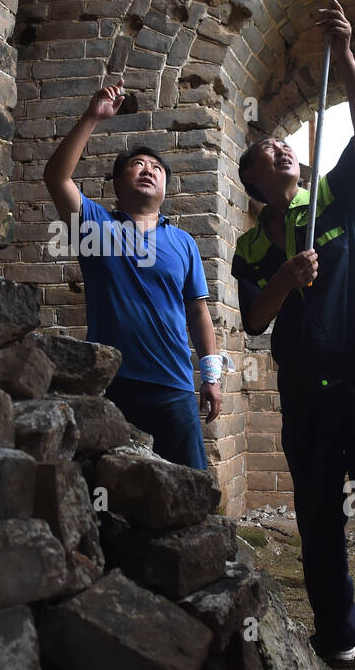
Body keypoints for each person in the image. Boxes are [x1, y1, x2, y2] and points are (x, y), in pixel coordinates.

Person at [232, 0, 355, 670]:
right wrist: (289, 276)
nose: (282, 148)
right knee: (320, 516)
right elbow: (256, 318)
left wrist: (345, 51)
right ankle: (337, 633)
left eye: (285, 144)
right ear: (257, 182)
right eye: (268, 151)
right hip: (307, 388)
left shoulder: (335, 197)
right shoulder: (251, 246)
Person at [43, 84, 224, 470]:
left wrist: (211, 375)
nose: (149, 171)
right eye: (137, 165)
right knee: (111, 487)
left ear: (164, 188)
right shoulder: (94, 226)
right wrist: (93, 116)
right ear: (118, 184)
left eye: (157, 169)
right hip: (111, 384)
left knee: (192, 487)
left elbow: (198, 314)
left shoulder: (183, 243)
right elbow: (57, 178)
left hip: (172, 385)